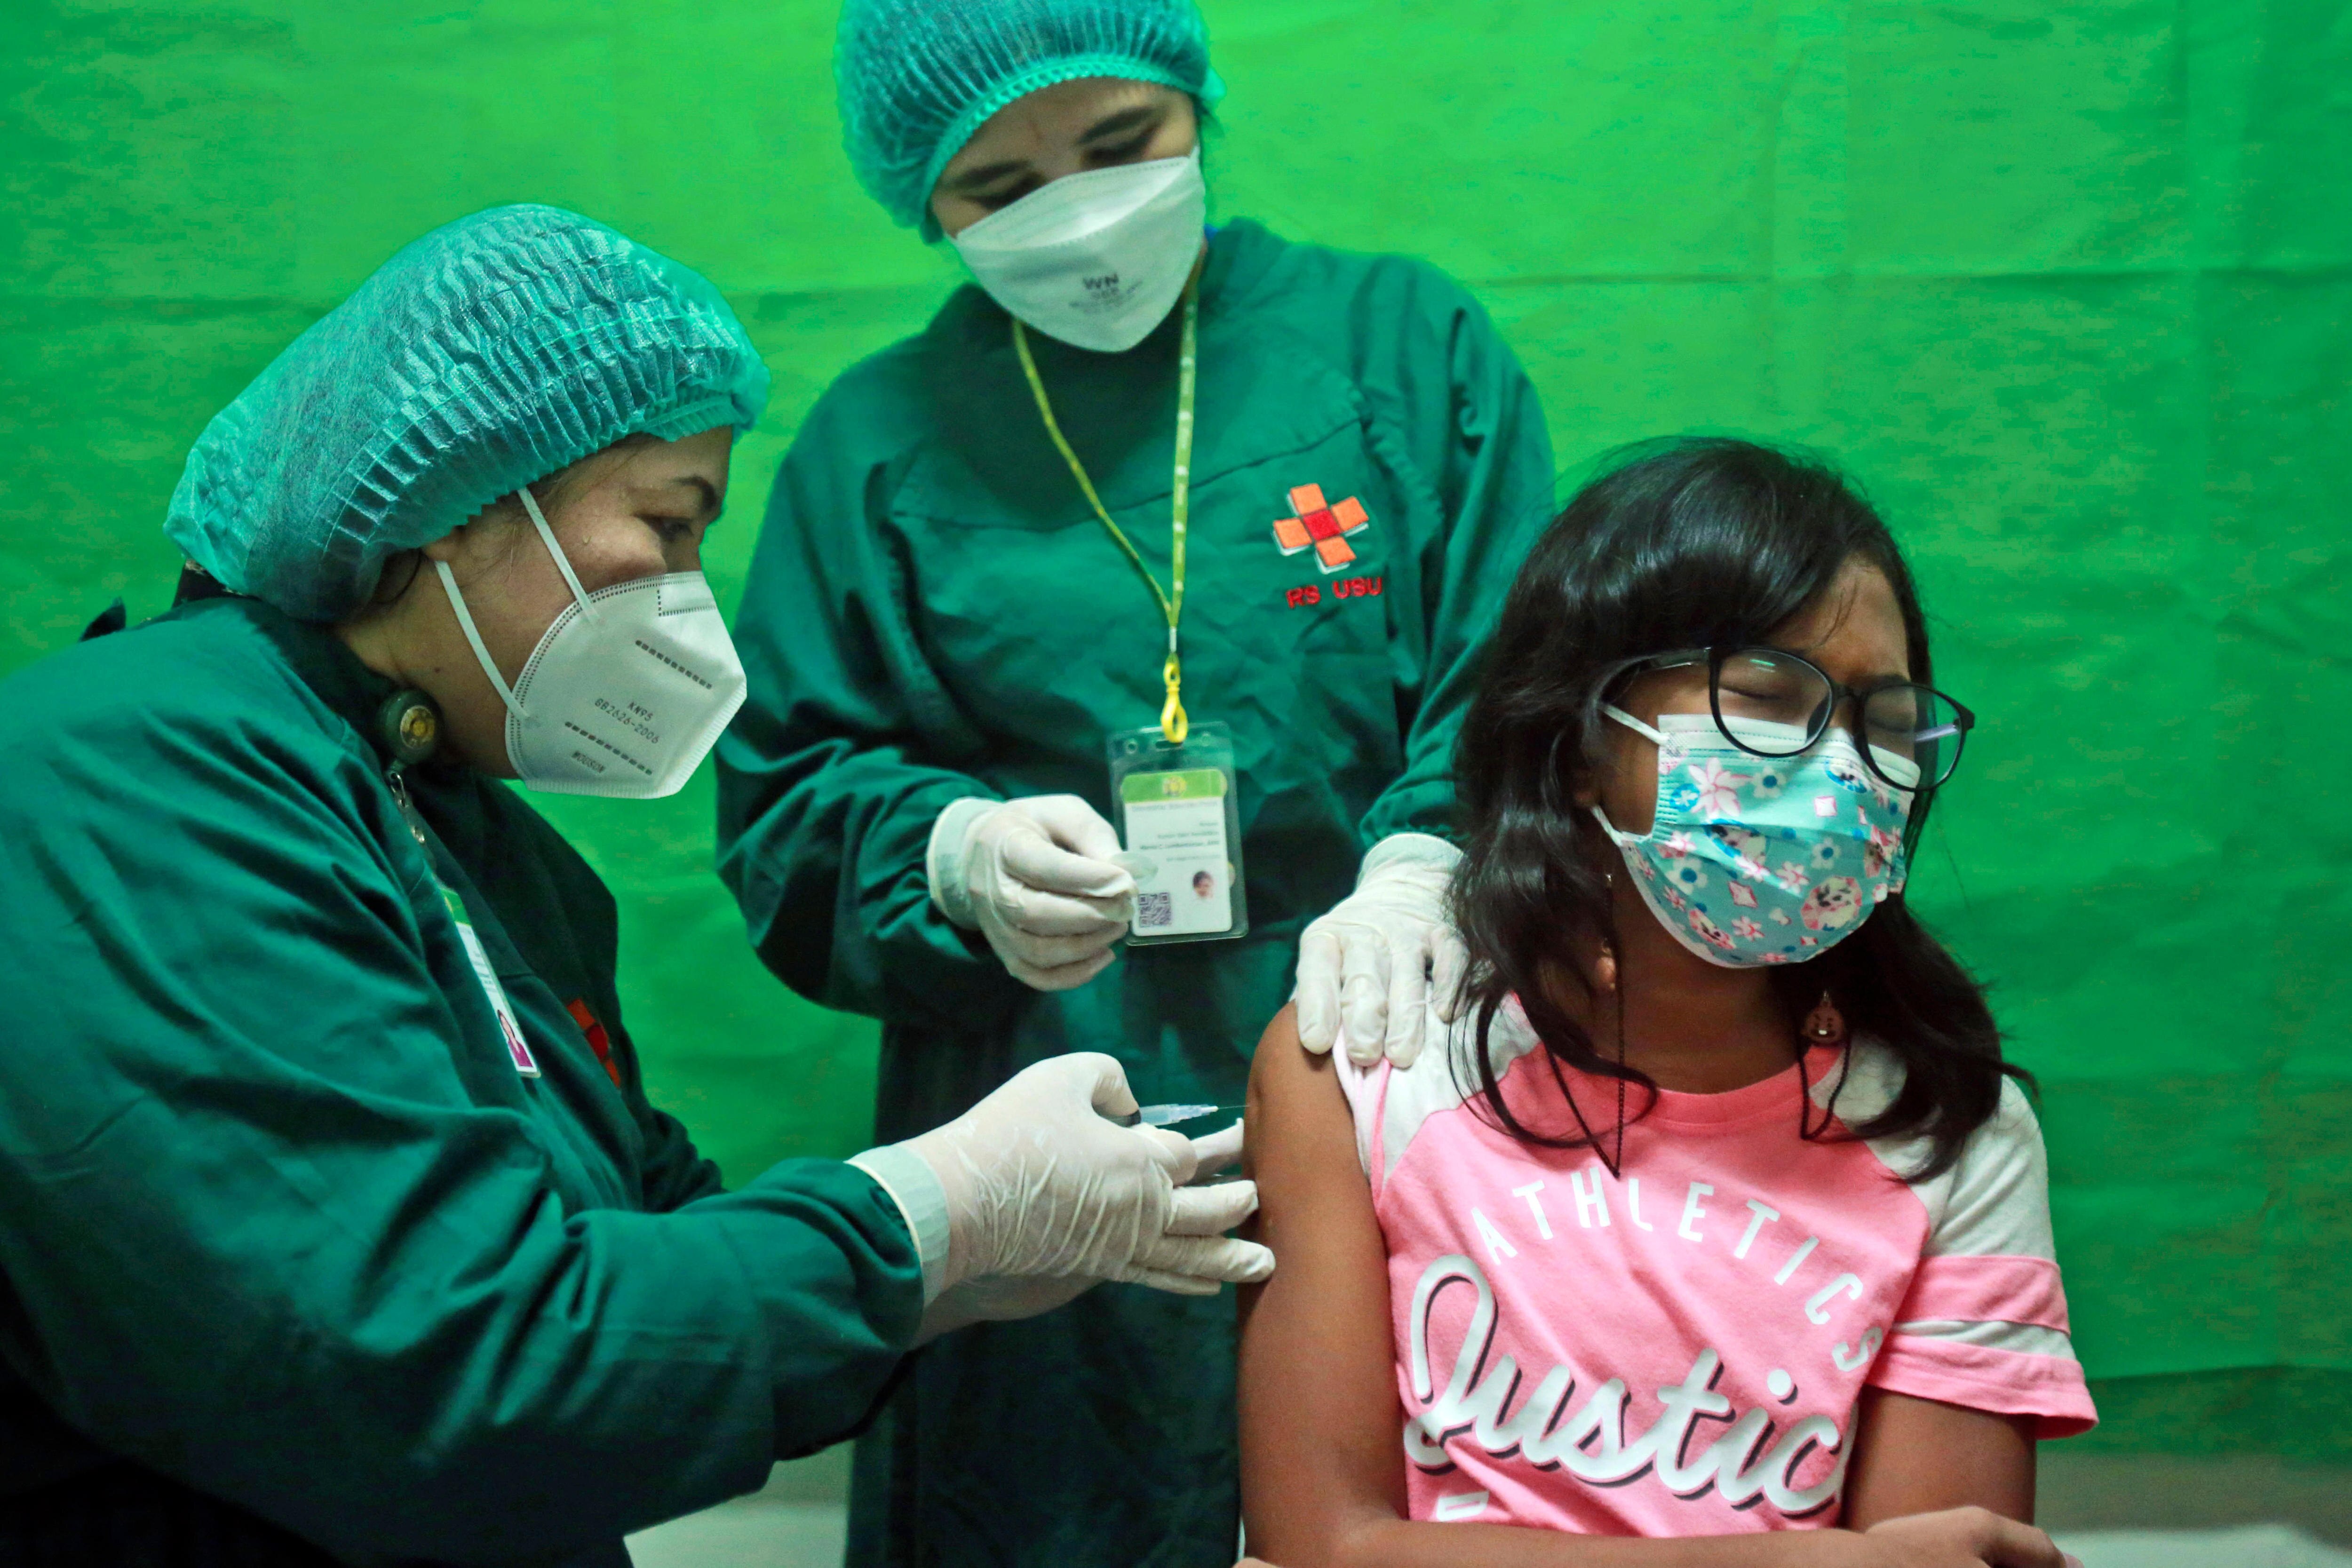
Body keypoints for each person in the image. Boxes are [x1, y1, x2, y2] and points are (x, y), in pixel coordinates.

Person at [0, 204, 1268, 1568]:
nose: (688, 607)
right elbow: (452, 1370)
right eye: (668, 525)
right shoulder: (133, 776)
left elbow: (648, 1261)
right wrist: (930, 1215)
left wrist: (957, 1261)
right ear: (460, 491)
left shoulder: (482, 851)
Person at [713, 1, 1557, 1559]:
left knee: (1399, 1495)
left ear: (1197, 104)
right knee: (1050, 1505)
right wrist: (948, 855)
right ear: (928, 203)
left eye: (1121, 145)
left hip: (1385, 1061)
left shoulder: (1400, 353)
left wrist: (1425, 860)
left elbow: (1523, 671)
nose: (1082, 212)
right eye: (1001, 186)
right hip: (1050, 1119)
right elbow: (786, 796)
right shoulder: (877, 447)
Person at [1239, 439, 2098, 1566]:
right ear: (1584, 742)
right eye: (1765, 700)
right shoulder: (1365, 1066)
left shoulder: (1949, 1128)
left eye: (1882, 724)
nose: (1838, 770)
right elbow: (1323, 1547)